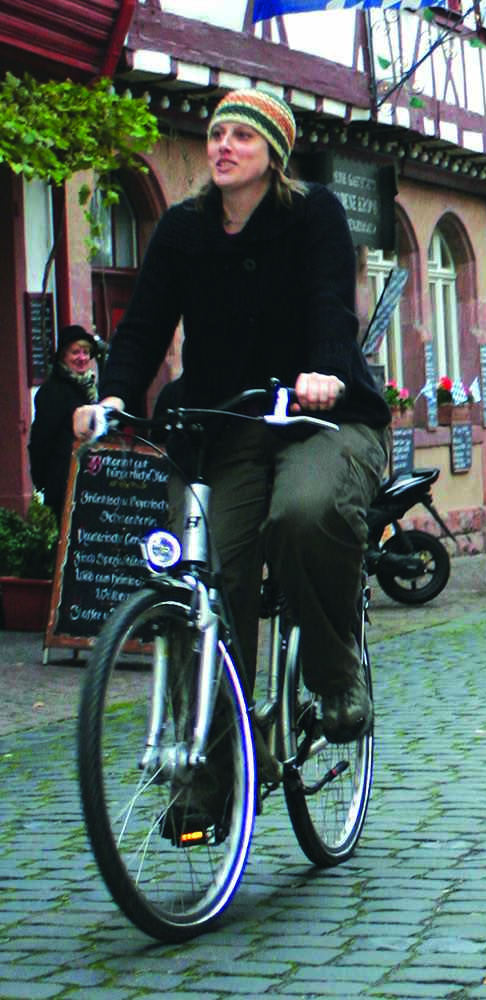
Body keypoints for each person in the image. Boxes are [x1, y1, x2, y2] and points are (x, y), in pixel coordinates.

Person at [73, 88, 389, 747]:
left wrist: (327, 371)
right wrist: (113, 396)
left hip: (320, 418)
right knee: (208, 577)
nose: (223, 146)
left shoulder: (313, 213)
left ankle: (335, 674)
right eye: (217, 134)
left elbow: (332, 304)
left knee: (305, 512)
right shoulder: (182, 230)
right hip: (224, 425)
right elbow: (144, 327)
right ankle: (218, 767)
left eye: (241, 136)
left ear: (273, 154)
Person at [29, 324, 102, 523]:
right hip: (64, 482)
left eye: (85, 352)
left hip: (92, 480)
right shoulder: (53, 391)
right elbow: (41, 440)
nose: (82, 358)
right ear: (63, 356)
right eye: (75, 352)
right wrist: (42, 480)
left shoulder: (91, 389)